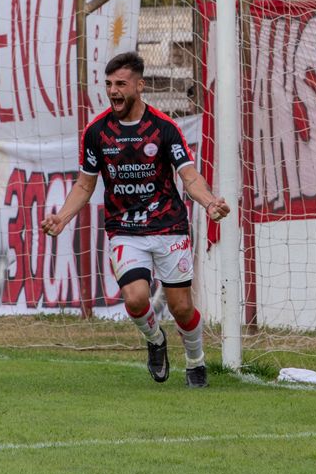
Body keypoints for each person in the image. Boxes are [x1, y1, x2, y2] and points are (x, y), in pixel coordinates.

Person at [40, 51, 230, 388]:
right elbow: (85, 184)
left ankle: (196, 361)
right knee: (135, 298)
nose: (113, 91)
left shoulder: (163, 128)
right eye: (109, 84)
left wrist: (209, 202)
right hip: (124, 229)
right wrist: (63, 219)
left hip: (169, 225)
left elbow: (188, 176)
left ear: (140, 86)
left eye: (121, 84)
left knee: (182, 307)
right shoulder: (96, 132)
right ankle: (155, 341)